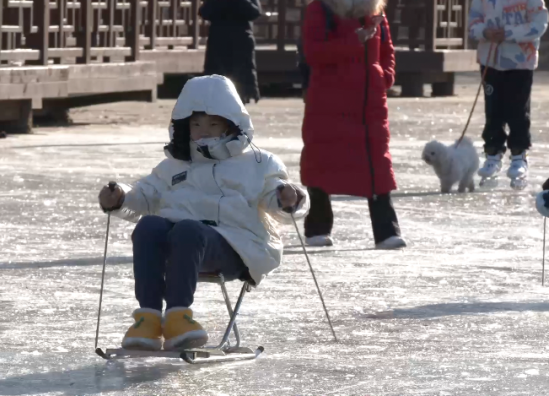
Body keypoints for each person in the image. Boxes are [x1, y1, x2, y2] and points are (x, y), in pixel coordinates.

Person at [97, 75, 308, 351]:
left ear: (231, 125)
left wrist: (289, 198)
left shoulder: (259, 162)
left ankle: (178, 318)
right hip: (182, 245)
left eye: (212, 124)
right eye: (196, 124)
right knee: (149, 226)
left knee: (188, 229)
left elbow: (275, 199)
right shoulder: (174, 165)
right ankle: (148, 319)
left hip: (237, 246)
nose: (203, 131)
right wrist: (120, 196)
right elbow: (145, 195)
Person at [299, 0, 406, 249]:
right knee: (322, 159)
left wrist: (384, 74)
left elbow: (386, 49)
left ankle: (386, 230)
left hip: (370, 101)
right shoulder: (321, 8)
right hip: (329, 99)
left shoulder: (374, 8)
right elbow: (313, 53)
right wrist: (353, 42)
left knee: (376, 161)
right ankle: (318, 227)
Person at [468, 0, 548, 184]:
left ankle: (519, 155)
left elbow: (539, 23)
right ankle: (492, 153)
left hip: (520, 61)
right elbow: (473, 20)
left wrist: (509, 33)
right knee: (493, 110)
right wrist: (484, 32)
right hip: (491, 59)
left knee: (518, 110)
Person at [199, 0, 262, 104]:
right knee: (218, 73)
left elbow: (255, 12)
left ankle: (243, 96)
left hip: (239, 38)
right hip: (220, 38)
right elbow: (204, 12)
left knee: (241, 73)